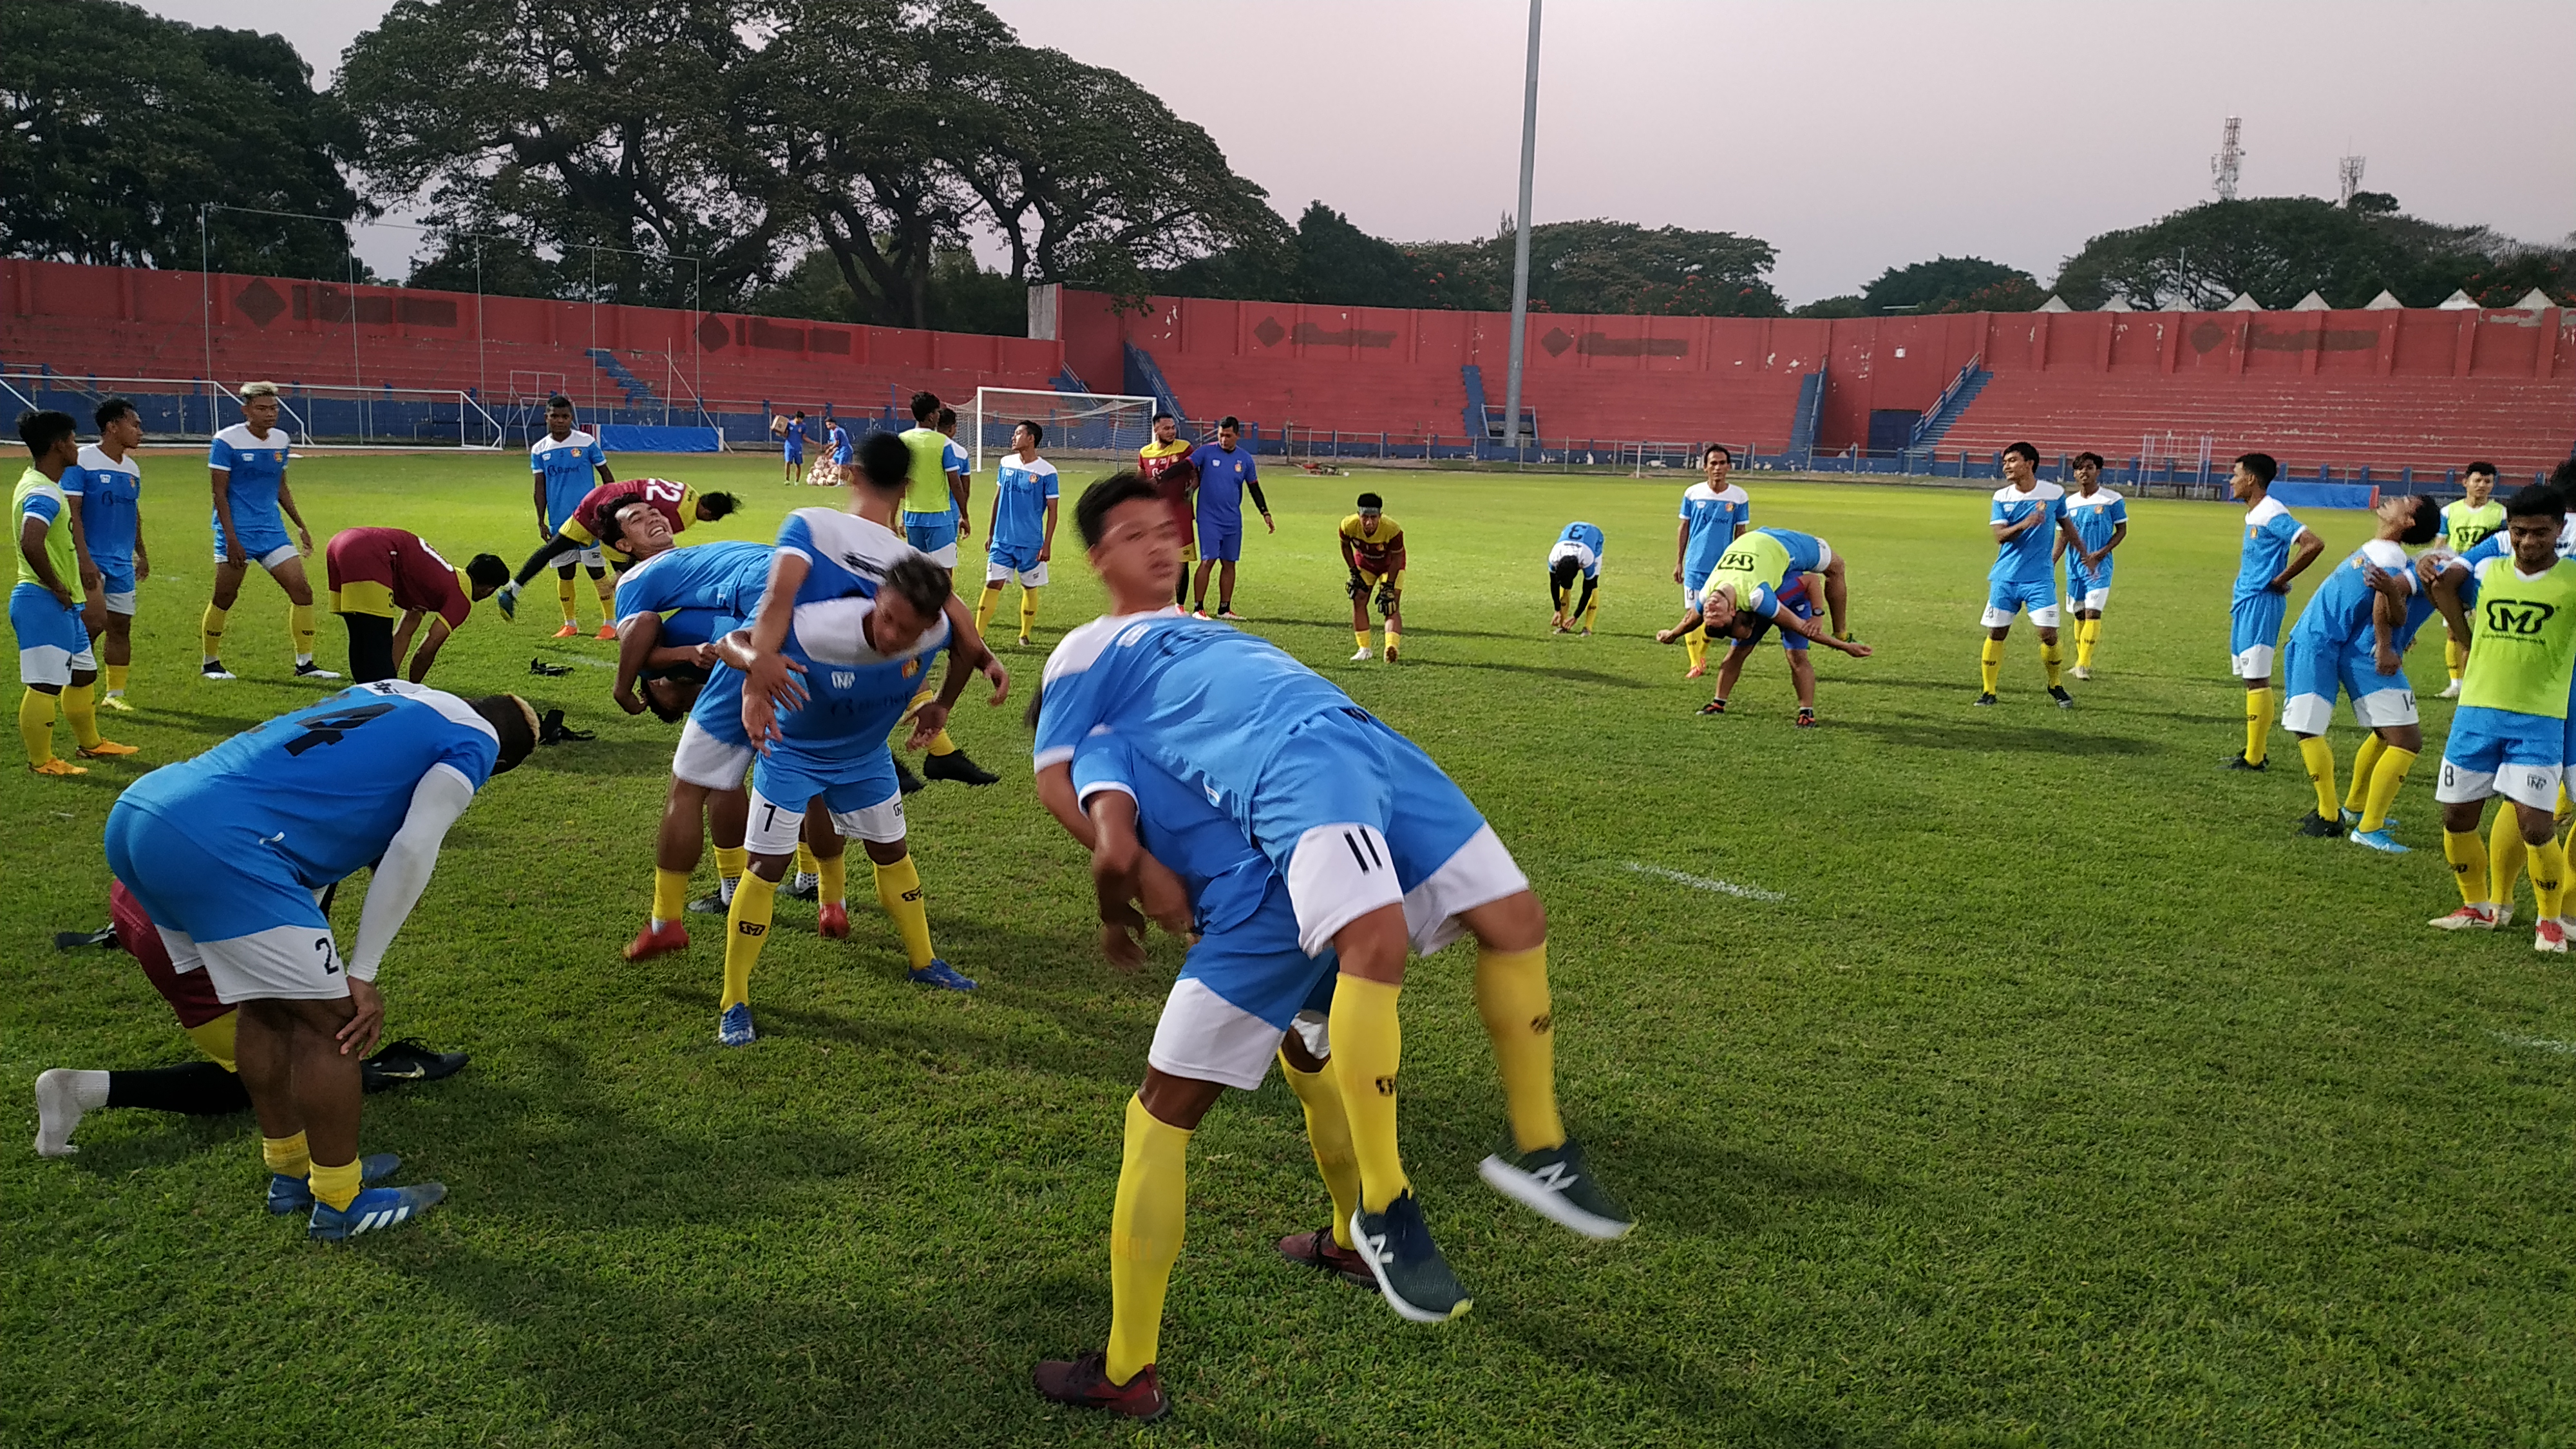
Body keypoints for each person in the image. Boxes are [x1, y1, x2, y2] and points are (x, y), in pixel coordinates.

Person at [1037, 473, 1637, 1331]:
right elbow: (1057, 777)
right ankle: (1385, 1210)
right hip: (1292, 764)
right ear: (1098, 559)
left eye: (1166, 528)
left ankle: (1541, 1149)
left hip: (1363, 736)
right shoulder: (1088, 652)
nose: (1163, 543)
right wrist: (1130, 876)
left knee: (1513, 918)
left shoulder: (1203, 626)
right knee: (1372, 943)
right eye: (1135, 535)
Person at [104, 681, 537, 1238]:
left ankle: (290, 1170)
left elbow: (312, 800)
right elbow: (411, 848)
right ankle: (339, 1202)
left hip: (149, 808)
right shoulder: (476, 742)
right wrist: (363, 973)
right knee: (335, 1027)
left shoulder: (398, 691)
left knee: (265, 1004)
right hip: (222, 842)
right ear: (500, 762)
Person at [1030, 723, 1367, 1421]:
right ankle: (1351, 1240)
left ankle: (1126, 1373)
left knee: (1155, 1120)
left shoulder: (1098, 741)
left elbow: (1117, 853)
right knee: (1308, 1057)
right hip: (1333, 885)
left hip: (1262, 913)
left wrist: (1111, 916)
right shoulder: (1190, 717)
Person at [715, 556, 987, 1045]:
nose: (889, 634)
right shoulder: (817, 626)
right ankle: (735, 999)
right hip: (791, 754)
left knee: (892, 851)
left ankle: (924, 961)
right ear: (876, 599)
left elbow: (969, 649)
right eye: (885, 617)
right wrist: (757, 663)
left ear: (930, 625)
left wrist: (941, 704)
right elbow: (730, 642)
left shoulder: (937, 630)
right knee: (767, 867)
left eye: (907, 629)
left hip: (865, 757)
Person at [35, 882, 467, 1159]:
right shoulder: (351, 811)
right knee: (273, 1067)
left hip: (144, 889)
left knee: (284, 1039)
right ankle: (78, 1090)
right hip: (177, 930)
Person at [605, 524, 778, 960]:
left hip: (767, 603)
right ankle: (823, 894)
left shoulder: (684, 591)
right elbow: (639, 629)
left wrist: (624, 688)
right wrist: (636, 681)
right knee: (756, 773)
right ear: (624, 547)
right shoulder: (635, 581)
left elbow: (644, 635)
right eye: (636, 518)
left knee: (694, 784)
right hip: (779, 593)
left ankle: (668, 922)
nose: (653, 515)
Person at [2425, 485, 2576, 949]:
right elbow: (2441, 582)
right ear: (2508, 530)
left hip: (2539, 718)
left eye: (2540, 533)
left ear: (2560, 530)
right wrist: (2464, 635)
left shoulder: (2573, 579)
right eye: (2519, 532)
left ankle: (2549, 921)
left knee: (2536, 824)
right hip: (2476, 713)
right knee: (2456, 816)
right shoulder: (2487, 570)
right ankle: (2478, 907)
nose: (2529, 543)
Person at [2278, 495, 2442, 844]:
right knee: (2311, 728)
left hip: (2318, 643)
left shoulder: (2389, 557)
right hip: (2319, 641)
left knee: (2307, 728)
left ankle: (2329, 814)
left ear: (2408, 522)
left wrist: (2388, 641)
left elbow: (2389, 606)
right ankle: (2339, 812)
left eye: (2404, 501)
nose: (2393, 499)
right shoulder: (2386, 552)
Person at [15, 410, 136, 775]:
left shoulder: (44, 483)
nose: (75, 446)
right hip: (43, 600)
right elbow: (30, 541)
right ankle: (42, 761)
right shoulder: (43, 492)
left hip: (65, 603)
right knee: (45, 683)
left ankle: (91, 745)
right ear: (57, 446)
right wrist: (56, 586)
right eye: (70, 440)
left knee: (83, 673)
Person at [202, 382, 334, 681]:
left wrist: (300, 525)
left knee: (302, 591)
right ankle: (210, 663)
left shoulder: (281, 439)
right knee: (225, 596)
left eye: (273, 408)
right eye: (261, 408)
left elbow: (280, 487)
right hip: (237, 533)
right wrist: (232, 540)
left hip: (272, 532)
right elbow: (219, 495)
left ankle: (305, 664)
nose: (269, 414)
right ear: (245, 410)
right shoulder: (227, 441)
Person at [496, 477, 742, 615]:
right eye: (713, 518)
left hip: (600, 495)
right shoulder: (683, 517)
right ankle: (628, 621)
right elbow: (645, 542)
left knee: (556, 547)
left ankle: (513, 589)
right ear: (709, 512)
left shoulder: (688, 489)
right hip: (613, 517)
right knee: (630, 574)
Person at [1657, 527, 1872, 682]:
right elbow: (1802, 627)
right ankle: (1842, 633)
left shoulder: (1706, 595)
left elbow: (1690, 620)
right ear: (1733, 611)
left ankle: (1837, 628)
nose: (1711, 607)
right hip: (1786, 547)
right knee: (1837, 567)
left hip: (1754, 536)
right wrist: (1845, 647)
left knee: (1822, 571)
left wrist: (1672, 634)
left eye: (1709, 612)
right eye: (1716, 612)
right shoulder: (1756, 596)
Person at [2221, 452, 2324, 770]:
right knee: (2250, 678)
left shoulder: (2270, 511)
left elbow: (2312, 543)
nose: (2231, 480)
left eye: (2236, 474)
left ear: (2251, 479)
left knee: (2257, 678)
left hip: (2261, 603)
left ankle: (2255, 757)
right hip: (2246, 601)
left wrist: (2280, 579)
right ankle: (2253, 751)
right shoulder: (2255, 514)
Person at [324, 527, 507, 685]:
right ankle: (378, 703)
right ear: (488, 589)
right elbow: (427, 649)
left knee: (361, 636)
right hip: (370, 553)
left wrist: (392, 680)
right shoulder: (460, 598)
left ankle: (366, 696)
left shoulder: (440, 578)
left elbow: (405, 632)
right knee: (376, 640)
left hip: (340, 543)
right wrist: (414, 688)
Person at [1976, 442, 2083, 708]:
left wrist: (2084, 555)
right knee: (1996, 633)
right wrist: (2025, 523)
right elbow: (2000, 536)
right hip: (2005, 578)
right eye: (2005, 462)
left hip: (2039, 580)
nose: (2007, 466)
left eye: (2012, 460)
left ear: (2029, 463)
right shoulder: (2002, 497)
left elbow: (2067, 528)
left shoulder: (2054, 493)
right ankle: (1989, 691)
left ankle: (2055, 684)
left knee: (2048, 633)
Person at [64, 397, 146, 711]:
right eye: (134, 424)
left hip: (122, 561)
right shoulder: (82, 461)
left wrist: (142, 551)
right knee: (92, 624)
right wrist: (84, 559)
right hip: (91, 559)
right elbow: (73, 512)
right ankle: (70, 686)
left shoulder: (132, 468)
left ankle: (115, 696)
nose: (141, 431)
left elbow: (133, 511)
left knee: (121, 626)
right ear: (112, 427)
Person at [529, 395, 618, 639]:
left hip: (590, 521)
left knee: (596, 571)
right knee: (565, 572)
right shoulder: (539, 449)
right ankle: (570, 624)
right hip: (560, 522)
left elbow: (607, 477)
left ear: (572, 418)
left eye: (565, 416)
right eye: (554, 416)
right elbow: (540, 487)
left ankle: (610, 623)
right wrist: (541, 520)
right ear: (546, 417)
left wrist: (611, 509)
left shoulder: (587, 442)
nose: (559, 421)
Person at [1702, 570, 1826, 726]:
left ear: (1751, 624)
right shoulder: (1744, 601)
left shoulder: (1778, 593)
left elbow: (1812, 580)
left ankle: (1807, 714)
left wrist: (1817, 615)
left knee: (1797, 656)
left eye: (1741, 634)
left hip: (1795, 604)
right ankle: (1718, 703)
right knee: (1736, 652)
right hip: (1763, 605)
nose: (1739, 638)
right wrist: (1673, 634)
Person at [1672, 444, 1752, 678]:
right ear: (1705, 467)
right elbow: (1684, 527)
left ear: (1729, 466)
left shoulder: (1739, 496)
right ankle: (1696, 663)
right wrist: (1679, 561)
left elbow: (1741, 532)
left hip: (1723, 567)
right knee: (1691, 614)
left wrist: (1740, 563)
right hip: (1695, 564)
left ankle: (1701, 655)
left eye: (1722, 463)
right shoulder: (1692, 493)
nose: (1718, 467)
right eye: (1713, 463)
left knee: (1715, 617)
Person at [979, 420, 1059, 648]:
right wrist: (991, 532)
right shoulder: (1006, 463)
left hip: (1031, 543)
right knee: (993, 583)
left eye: (1018, 434)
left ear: (1031, 438)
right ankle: (978, 635)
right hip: (1002, 540)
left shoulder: (1047, 472)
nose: (1013, 438)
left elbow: (1053, 511)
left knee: (1029, 587)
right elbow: (997, 498)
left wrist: (1047, 544)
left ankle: (1024, 634)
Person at [1188, 415, 1273, 620]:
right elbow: (1188, 465)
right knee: (1208, 560)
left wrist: (1265, 512)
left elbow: (1254, 488)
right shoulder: (1206, 452)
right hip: (1208, 517)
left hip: (1233, 519)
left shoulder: (1245, 459)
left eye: (1228, 435)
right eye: (1221, 435)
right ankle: (1198, 608)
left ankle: (1225, 609)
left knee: (1229, 563)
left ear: (1237, 436)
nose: (1224, 440)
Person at [2055, 452, 2128, 679]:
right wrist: (2051, 562)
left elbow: (2122, 530)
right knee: (2079, 615)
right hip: (2074, 567)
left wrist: (2101, 553)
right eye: (2079, 469)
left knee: (2092, 613)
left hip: (2099, 567)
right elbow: (2064, 536)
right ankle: (2080, 660)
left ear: (2098, 471)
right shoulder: (2069, 503)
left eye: (2089, 467)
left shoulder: (2112, 499)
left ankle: (2083, 664)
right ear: (2075, 474)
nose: (2084, 472)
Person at [2436, 461, 2505, 697]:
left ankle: (2474, 683)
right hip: (2455, 576)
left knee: (2484, 630)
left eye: (2488, 481)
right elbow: (2441, 542)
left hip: (2485, 577)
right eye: (2478, 480)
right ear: (2465, 482)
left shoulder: (2501, 513)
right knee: (2454, 632)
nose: (2482, 485)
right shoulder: (2449, 512)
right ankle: (2456, 684)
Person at [897, 392, 965, 565]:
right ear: (930, 417)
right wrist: (964, 515)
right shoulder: (943, 442)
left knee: (919, 570)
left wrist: (897, 517)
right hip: (938, 516)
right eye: (936, 412)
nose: (938, 415)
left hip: (913, 516)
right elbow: (955, 483)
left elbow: (898, 482)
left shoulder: (902, 440)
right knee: (943, 570)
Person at [1137, 412, 1197, 608]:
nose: (1171, 432)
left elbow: (1196, 473)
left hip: (1180, 512)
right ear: (1156, 430)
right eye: (1166, 428)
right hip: (1155, 516)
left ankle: (1179, 606)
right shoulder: (1145, 452)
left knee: (1182, 561)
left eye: (1173, 427)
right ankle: (1156, 602)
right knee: (1154, 558)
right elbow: (1140, 481)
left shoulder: (1185, 448)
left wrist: (1192, 488)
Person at [1340, 493, 1406, 663]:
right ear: (1358, 515)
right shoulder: (1348, 525)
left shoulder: (1393, 529)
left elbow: (1397, 559)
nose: (1369, 522)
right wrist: (1354, 572)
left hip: (1390, 565)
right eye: (1365, 517)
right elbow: (1345, 546)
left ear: (1380, 516)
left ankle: (1391, 647)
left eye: (1373, 518)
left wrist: (1389, 586)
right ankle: (1364, 649)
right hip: (1366, 563)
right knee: (1359, 598)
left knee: (1390, 604)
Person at [1548, 522, 1605, 634]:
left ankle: (1588, 628)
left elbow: (1587, 589)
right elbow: (1554, 583)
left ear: (1580, 567)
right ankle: (1563, 625)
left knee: (1593, 585)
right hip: (1569, 531)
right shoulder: (1554, 557)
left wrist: (1575, 616)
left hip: (1594, 538)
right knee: (1565, 585)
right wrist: (1557, 610)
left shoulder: (1587, 558)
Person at [779, 409, 808, 484]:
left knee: (798, 464)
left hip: (798, 446)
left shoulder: (803, 426)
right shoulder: (789, 424)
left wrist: (814, 443)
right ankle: (787, 479)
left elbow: (804, 437)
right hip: (789, 446)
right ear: (797, 417)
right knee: (788, 462)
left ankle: (797, 481)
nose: (801, 420)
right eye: (801, 419)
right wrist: (781, 433)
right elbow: (786, 435)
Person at [827, 413, 853, 486]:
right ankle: (842, 479)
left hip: (845, 449)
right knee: (834, 462)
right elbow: (834, 442)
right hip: (839, 450)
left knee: (842, 466)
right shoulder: (832, 431)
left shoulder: (837, 431)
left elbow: (837, 443)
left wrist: (830, 449)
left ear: (834, 423)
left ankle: (840, 482)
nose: (828, 427)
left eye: (829, 424)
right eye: (827, 425)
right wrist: (829, 446)